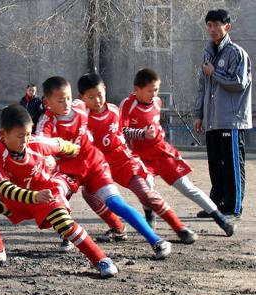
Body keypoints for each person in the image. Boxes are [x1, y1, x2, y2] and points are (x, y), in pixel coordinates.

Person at [0, 104, 118, 278]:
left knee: (63, 222)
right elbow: (5, 188)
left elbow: (60, 145)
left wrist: (76, 151)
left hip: (47, 193)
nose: (25, 140)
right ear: (3, 134)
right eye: (20, 136)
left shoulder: (36, 143)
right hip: (21, 198)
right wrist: (34, 197)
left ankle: (100, 259)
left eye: (28, 134)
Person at [36, 76, 172, 260]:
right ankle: (67, 235)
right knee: (57, 200)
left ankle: (156, 241)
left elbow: (102, 106)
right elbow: (40, 144)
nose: (66, 103)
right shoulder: (46, 122)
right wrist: (48, 157)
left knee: (116, 203)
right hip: (67, 171)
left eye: (68, 97)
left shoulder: (79, 106)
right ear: (47, 102)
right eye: (60, 100)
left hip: (93, 164)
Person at [78, 73, 197, 244]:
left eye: (99, 94)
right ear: (82, 98)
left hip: (122, 161)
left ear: (105, 90)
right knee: (88, 193)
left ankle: (179, 227)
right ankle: (118, 228)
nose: (97, 100)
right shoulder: (82, 115)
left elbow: (124, 131)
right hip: (98, 165)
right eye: (90, 97)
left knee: (145, 194)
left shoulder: (113, 110)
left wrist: (141, 135)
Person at [120, 68, 235, 237]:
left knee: (187, 187)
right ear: (137, 89)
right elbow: (122, 130)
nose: (154, 94)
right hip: (141, 156)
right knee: (147, 187)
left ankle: (219, 218)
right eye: (150, 90)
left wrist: (154, 133)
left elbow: (155, 124)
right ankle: (150, 215)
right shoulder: (128, 104)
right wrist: (142, 134)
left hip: (160, 151)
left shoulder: (158, 102)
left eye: (156, 90)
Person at [193, 9, 252, 220]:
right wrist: (199, 115)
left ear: (227, 27)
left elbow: (239, 83)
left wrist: (214, 73)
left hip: (231, 121)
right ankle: (215, 206)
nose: (212, 29)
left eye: (216, 24)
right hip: (212, 121)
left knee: (233, 164)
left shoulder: (236, 53)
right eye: (209, 25)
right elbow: (202, 86)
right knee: (215, 165)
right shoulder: (208, 53)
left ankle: (234, 206)